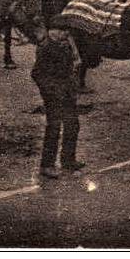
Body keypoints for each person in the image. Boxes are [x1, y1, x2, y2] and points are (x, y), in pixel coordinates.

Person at [31, 17, 85, 179]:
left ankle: (68, 159)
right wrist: (50, 91)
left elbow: (71, 66)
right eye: (63, 31)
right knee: (53, 127)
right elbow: (36, 74)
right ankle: (47, 165)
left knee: (73, 124)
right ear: (53, 31)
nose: (66, 34)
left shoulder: (65, 44)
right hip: (54, 93)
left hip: (67, 91)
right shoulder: (46, 47)